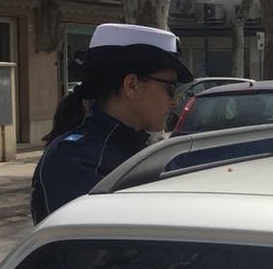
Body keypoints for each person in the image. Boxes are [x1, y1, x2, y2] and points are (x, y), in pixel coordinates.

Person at [30, 23, 192, 223]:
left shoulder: (143, 149)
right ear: (132, 86)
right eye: (170, 88)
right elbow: (104, 248)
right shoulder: (75, 159)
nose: (175, 101)